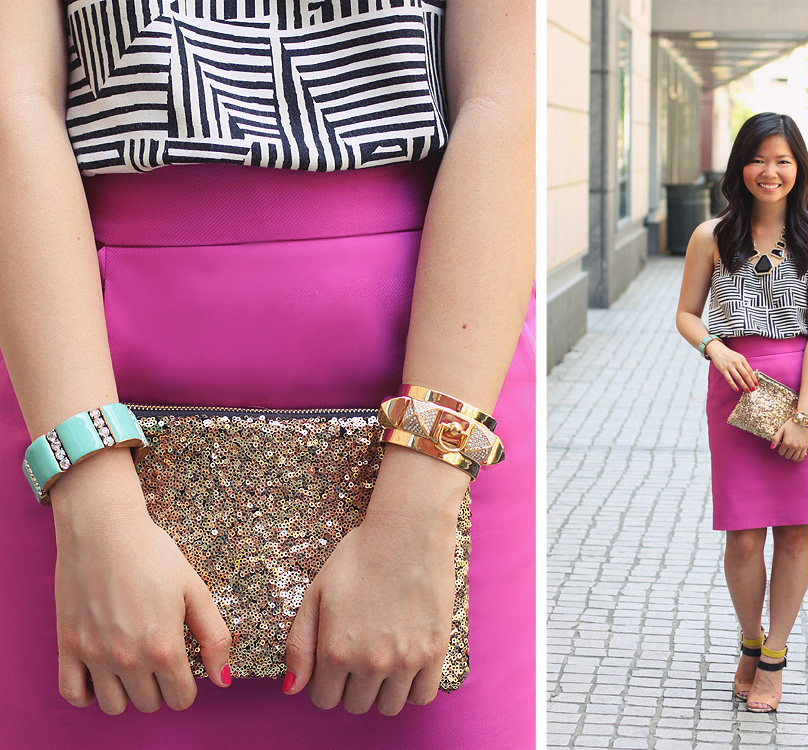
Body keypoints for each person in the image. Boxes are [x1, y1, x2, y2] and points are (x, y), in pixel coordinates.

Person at [0, 2, 535, 748]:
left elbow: (508, 100)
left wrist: (417, 515)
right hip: (75, 382)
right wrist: (95, 509)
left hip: (439, 384)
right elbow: (14, 101)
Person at [675, 112, 808, 713]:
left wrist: (805, 415)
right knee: (743, 537)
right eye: (758, 159)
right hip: (736, 391)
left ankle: (774, 656)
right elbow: (686, 314)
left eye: (782, 161)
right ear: (739, 166)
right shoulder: (710, 236)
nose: (770, 172)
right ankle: (749, 639)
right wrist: (714, 346)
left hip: (802, 388)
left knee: (796, 531)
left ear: (799, 169)